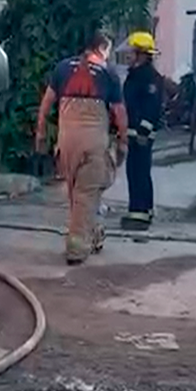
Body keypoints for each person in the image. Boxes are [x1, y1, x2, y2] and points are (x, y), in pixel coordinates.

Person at [35, 30, 129, 265]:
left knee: (78, 193)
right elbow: (119, 112)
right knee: (86, 194)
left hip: (66, 143)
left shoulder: (62, 68)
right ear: (101, 48)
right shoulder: (108, 73)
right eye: (107, 50)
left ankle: (94, 233)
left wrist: (41, 132)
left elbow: (46, 103)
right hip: (93, 142)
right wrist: (124, 140)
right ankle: (76, 248)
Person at [121, 31, 164, 231]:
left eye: (132, 52)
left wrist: (143, 132)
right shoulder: (136, 74)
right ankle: (140, 209)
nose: (128, 55)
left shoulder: (149, 78)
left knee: (139, 171)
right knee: (135, 170)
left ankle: (140, 213)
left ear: (141, 54)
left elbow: (152, 107)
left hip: (141, 135)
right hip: (133, 132)